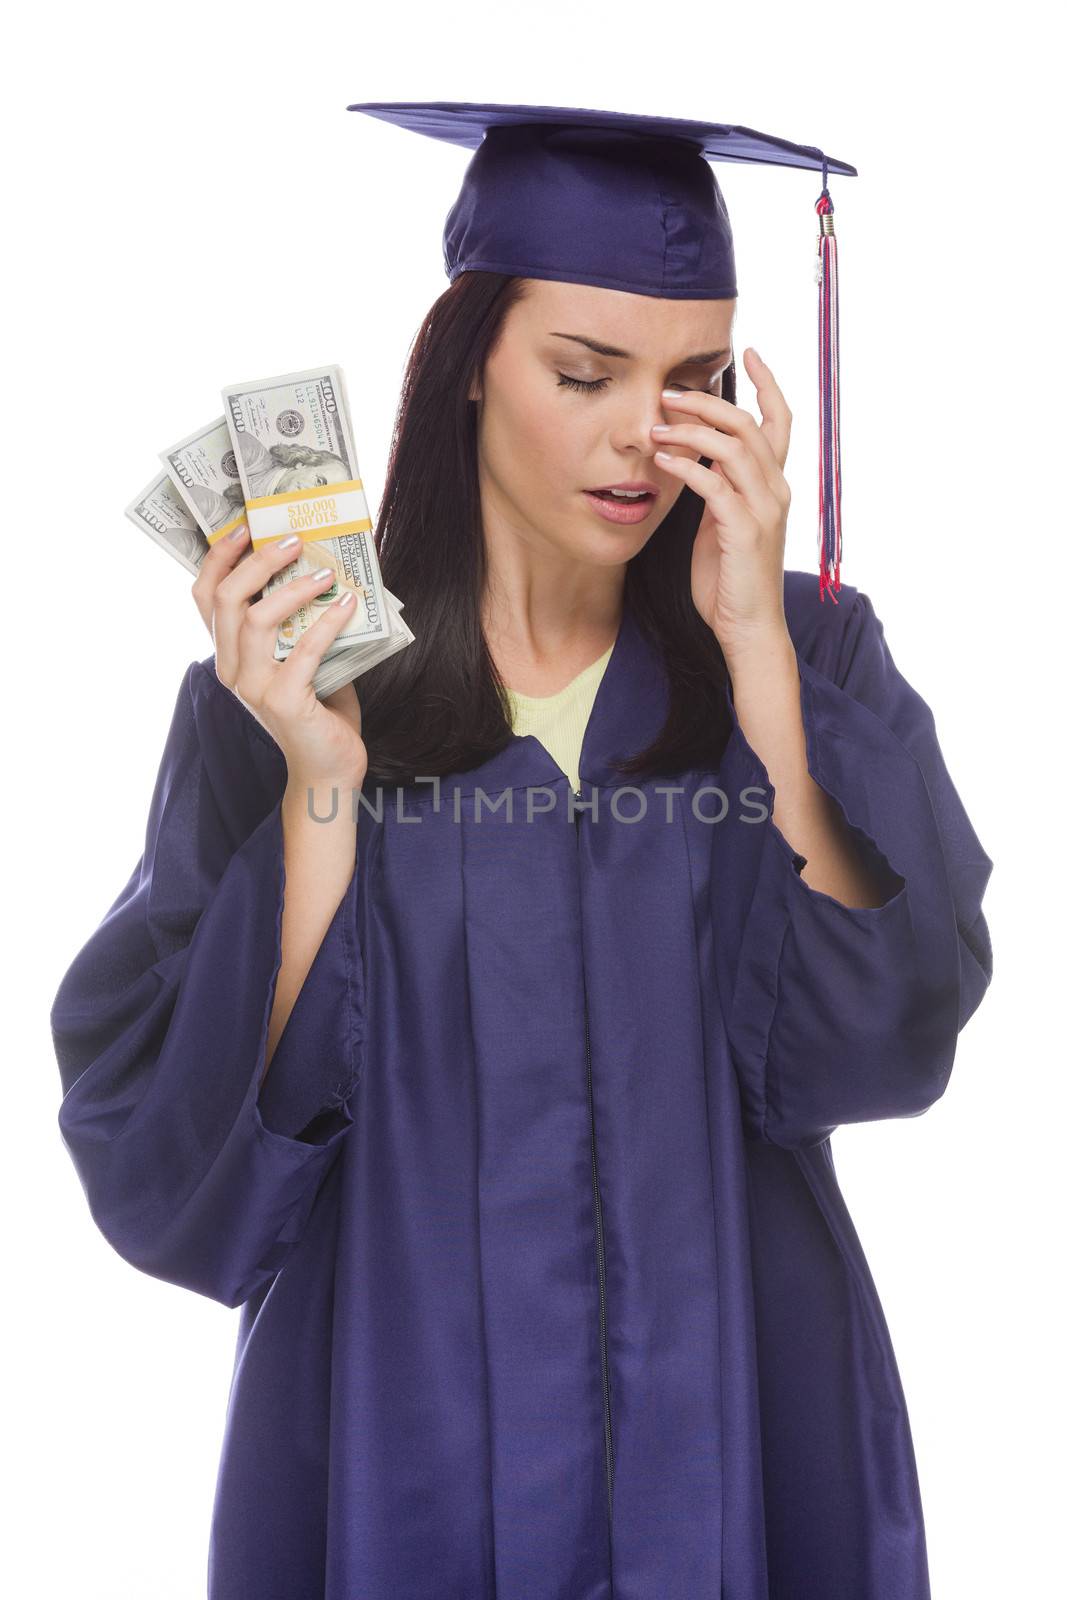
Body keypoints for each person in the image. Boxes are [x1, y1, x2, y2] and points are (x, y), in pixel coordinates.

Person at [50, 104, 994, 1598]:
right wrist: (319, 789)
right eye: (584, 371)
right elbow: (176, 1173)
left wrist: (764, 669)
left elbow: (889, 1045)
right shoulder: (296, 685)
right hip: (394, 1441)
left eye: (693, 383)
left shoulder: (813, 659)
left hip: (740, 1433)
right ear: (471, 361)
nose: (642, 434)